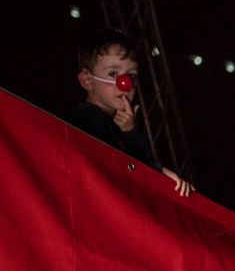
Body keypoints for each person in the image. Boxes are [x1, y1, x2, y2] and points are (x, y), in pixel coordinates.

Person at [69, 29, 194, 198]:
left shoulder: (117, 123)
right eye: (113, 74)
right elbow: (114, 169)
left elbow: (137, 164)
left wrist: (130, 132)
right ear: (87, 81)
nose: (125, 83)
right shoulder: (87, 119)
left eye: (131, 75)